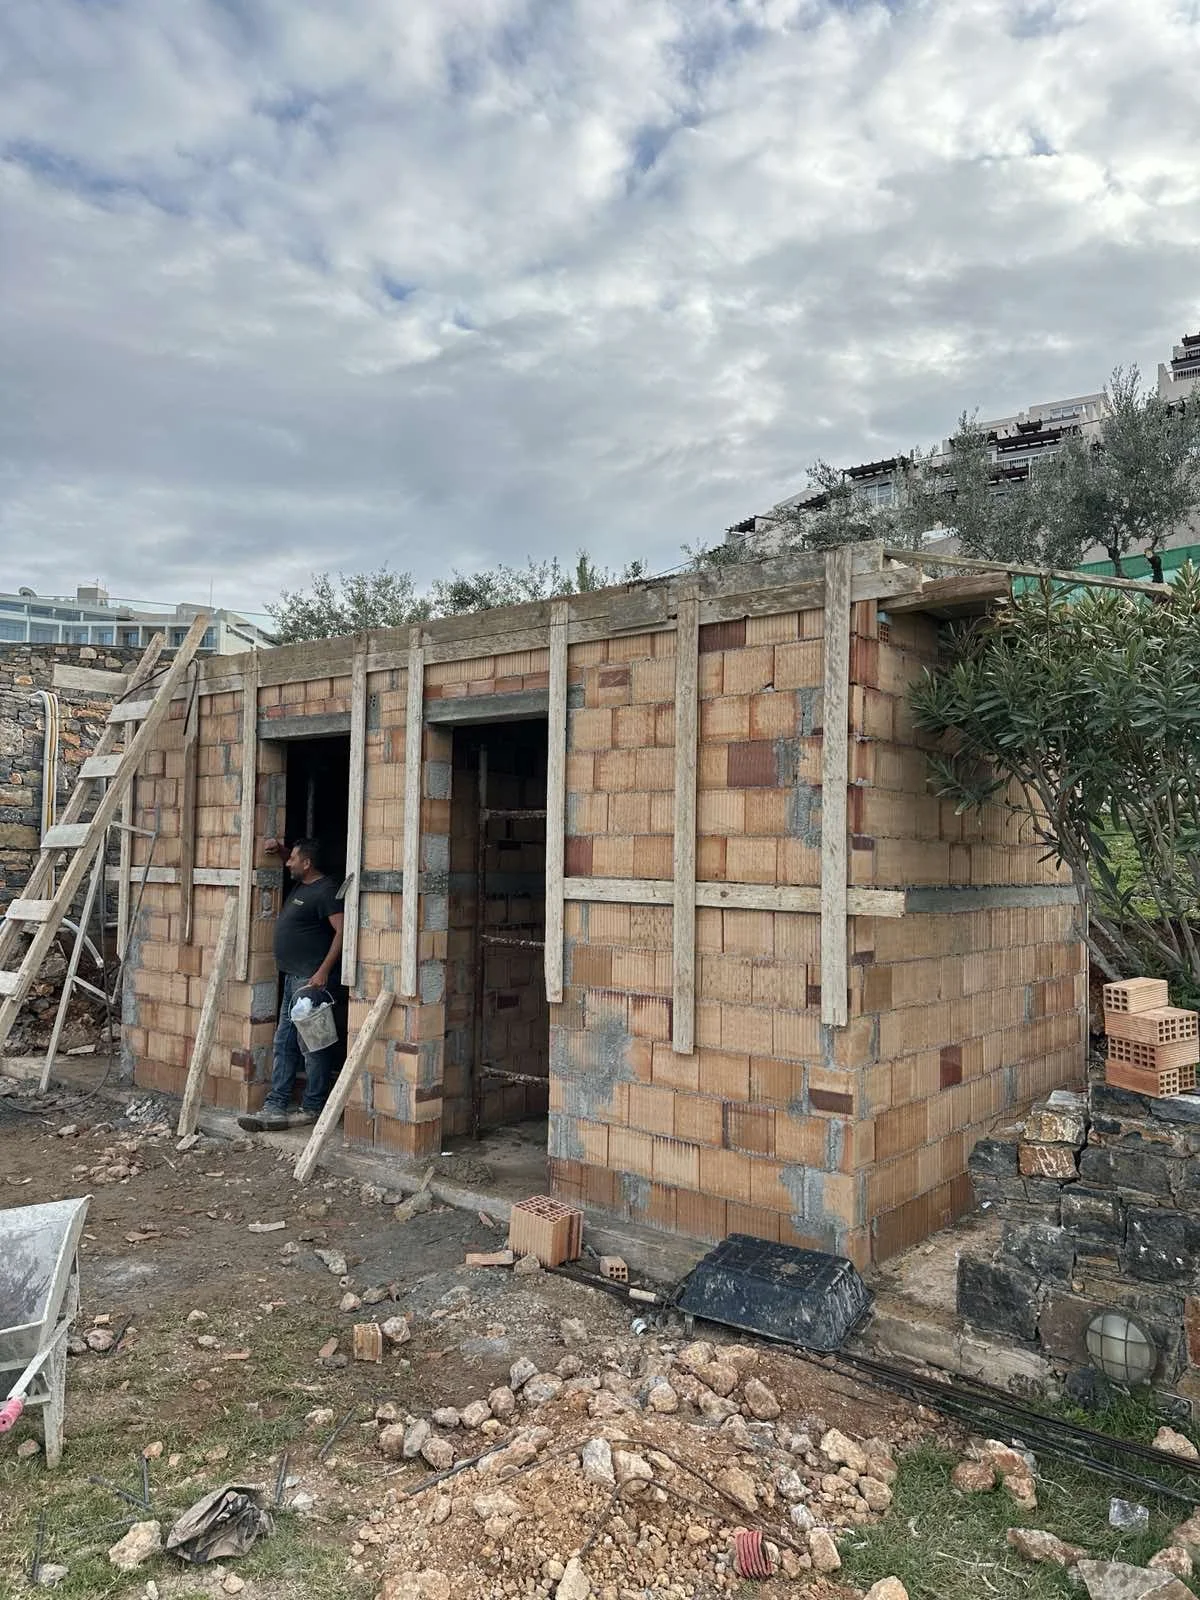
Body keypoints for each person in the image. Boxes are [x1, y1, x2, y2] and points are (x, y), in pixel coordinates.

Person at [238, 836, 346, 1132]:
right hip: (292, 980)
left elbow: (342, 932)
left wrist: (323, 972)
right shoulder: (304, 883)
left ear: (307, 864)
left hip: (311, 982)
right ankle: (276, 1102)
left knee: (313, 1045)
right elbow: (298, 858)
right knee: (284, 1042)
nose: (288, 863)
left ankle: (312, 1106)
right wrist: (282, 849)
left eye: (292, 859)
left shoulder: (326, 891)